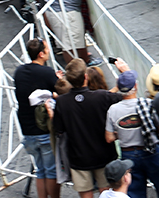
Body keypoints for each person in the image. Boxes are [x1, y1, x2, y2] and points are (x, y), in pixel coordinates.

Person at [52, 60, 122, 198]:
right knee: (107, 192)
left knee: (85, 193)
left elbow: (59, 129)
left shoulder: (61, 102)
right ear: (85, 77)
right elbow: (126, 95)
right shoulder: (101, 96)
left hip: (78, 157)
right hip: (104, 154)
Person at [104, 70, 159, 198]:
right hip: (151, 151)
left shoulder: (113, 110)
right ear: (135, 86)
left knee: (135, 193)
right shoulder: (147, 104)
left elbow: (109, 137)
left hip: (128, 154)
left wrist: (122, 132)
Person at [14, 38, 61, 198]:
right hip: (44, 130)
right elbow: (61, 90)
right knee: (51, 171)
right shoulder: (47, 72)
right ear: (41, 54)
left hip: (27, 129)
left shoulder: (19, 72)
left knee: (40, 170)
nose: (49, 51)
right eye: (47, 49)